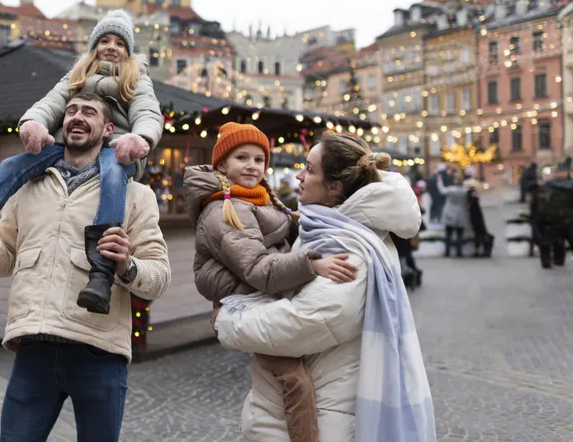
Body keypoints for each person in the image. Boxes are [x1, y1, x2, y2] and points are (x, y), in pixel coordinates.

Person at [0, 10, 163, 314]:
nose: (111, 47)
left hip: (118, 149)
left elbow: (148, 112)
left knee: (114, 175)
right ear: (94, 47)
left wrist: (140, 138)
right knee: (12, 165)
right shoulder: (77, 75)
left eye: (120, 43)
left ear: (128, 51)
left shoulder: (135, 78)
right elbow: (51, 103)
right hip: (67, 147)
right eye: (104, 40)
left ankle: (101, 273)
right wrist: (34, 123)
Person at [0, 92, 171, 442]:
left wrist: (126, 266)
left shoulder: (137, 196)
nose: (77, 116)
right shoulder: (27, 188)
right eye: (71, 110)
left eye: (89, 112)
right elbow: (4, 262)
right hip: (33, 350)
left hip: (98, 353)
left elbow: (159, 278)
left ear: (108, 129)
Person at [212, 132, 433, 442]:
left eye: (309, 169)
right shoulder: (330, 229)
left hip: (323, 411)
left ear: (334, 187)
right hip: (308, 401)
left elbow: (305, 322)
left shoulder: (348, 247)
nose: (299, 176)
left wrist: (228, 320)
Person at [183, 123, 358, 442]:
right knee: (296, 382)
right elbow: (257, 267)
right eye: (242, 158)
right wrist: (311, 264)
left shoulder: (258, 198)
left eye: (259, 159)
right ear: (222, 164)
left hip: (262, 297)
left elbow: (283, 233)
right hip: (245, 302)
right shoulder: (225, 209)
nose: (252, 165)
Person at [531, 158, 573, 269]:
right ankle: (557, 261)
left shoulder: (547, 186)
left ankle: (549, 262)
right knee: (557, 241)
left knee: (549, 241)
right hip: (564, 219)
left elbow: (536, 201)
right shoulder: (568, 185)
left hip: (550, 220)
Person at [439, 167, 473, 257]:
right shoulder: (465, 191)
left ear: (455, 181)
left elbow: (442, 191)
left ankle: (447, 252)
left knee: (448, 234)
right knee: (459, 234)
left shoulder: (450, 189)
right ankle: (459, 252)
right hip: (461, 213)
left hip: (449, 213)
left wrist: (439, 180)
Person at [464, 167, 494, 258]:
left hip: (475, 215)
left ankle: (481, 250)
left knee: (479, 233)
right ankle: (481, 250)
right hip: (477, 214)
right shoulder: (475, 189)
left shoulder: (470, 190)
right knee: (479, 233)